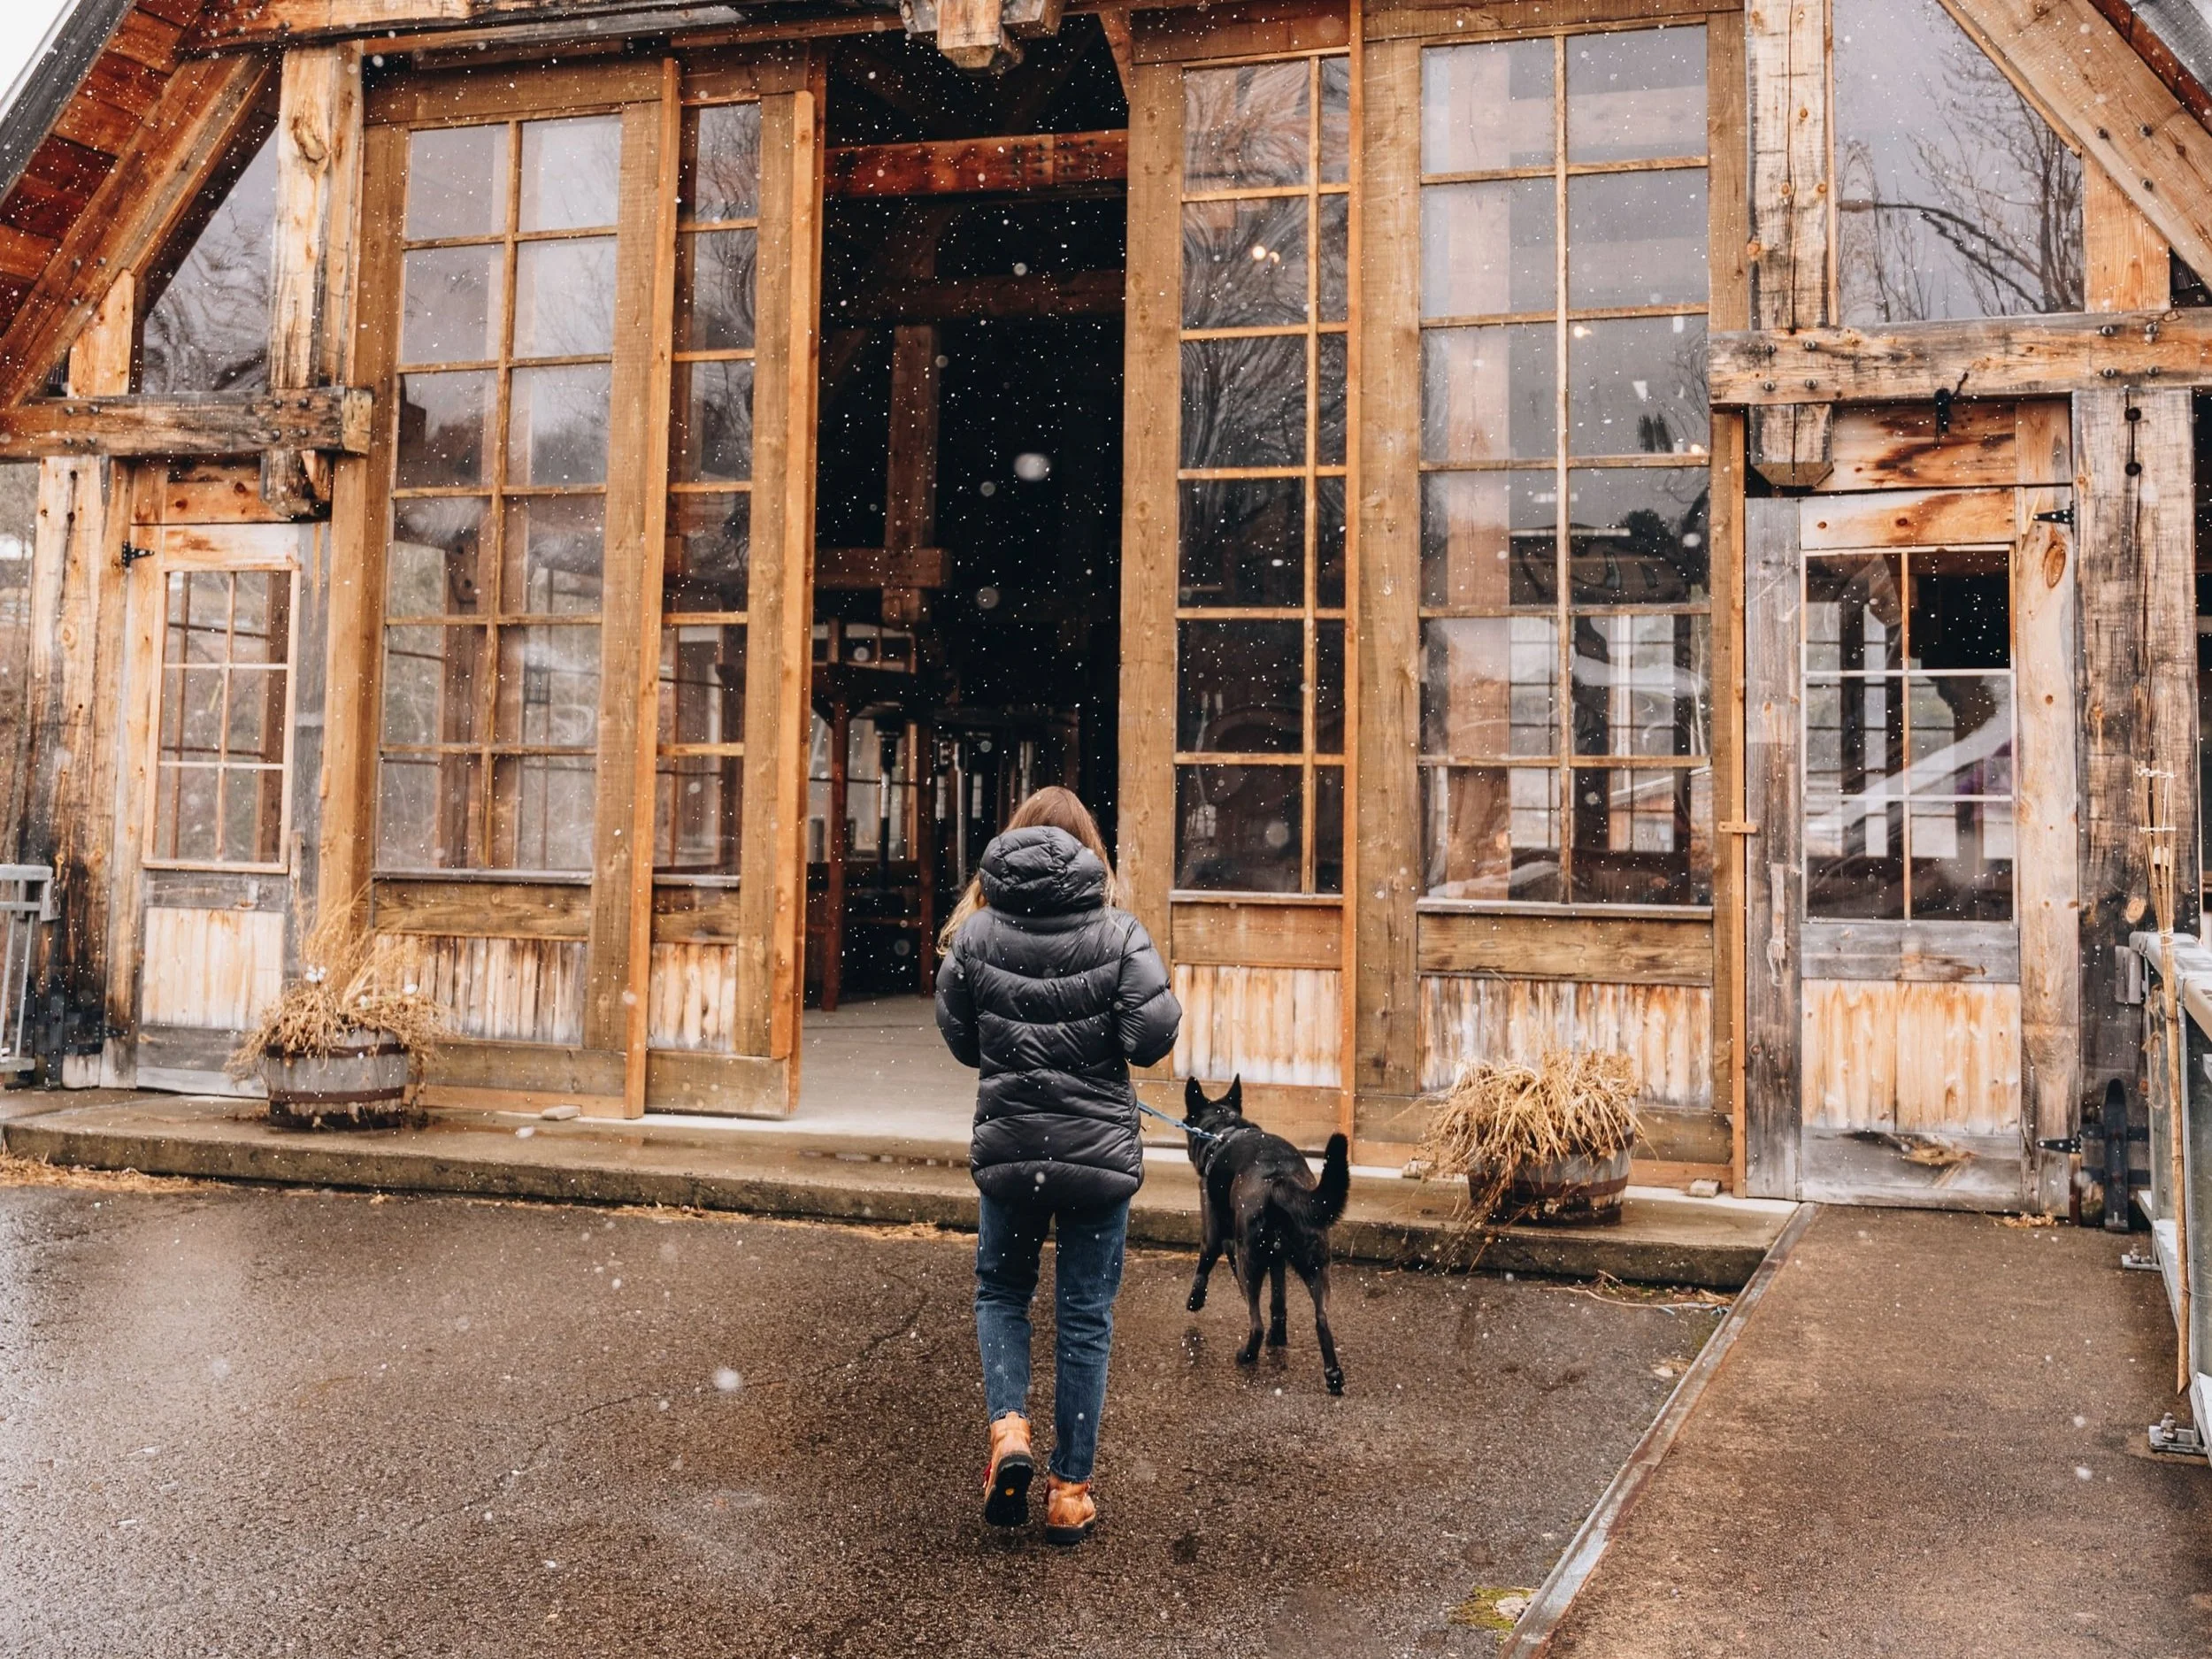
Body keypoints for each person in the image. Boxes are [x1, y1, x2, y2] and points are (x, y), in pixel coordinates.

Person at [934, 786, 1180, 1545]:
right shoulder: (1119, 932)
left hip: (1012, 1149)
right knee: (1084, 1316)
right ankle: (1070, 1492)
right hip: (1097, 1158)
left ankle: (1009, 1428)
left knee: (1002, 1291)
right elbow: (1152, 1038)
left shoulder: (975, 936)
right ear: (1090, 852)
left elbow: (963, 1040)